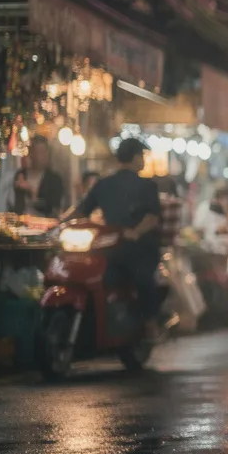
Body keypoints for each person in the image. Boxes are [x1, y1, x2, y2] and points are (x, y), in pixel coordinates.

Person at [63, 138, 165, 339]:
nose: (143, 160)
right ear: (136, 158)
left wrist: (59, 223)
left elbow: (80, 212)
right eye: (142, 156)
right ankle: (150, 324)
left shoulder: (103, 184)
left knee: (139, 277)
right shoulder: (147, 186)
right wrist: (136, 232)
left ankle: (149, 323)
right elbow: (153, 217)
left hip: (112, 249)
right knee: (141, 277)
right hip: (137, 249)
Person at [13, 136, 66, 217]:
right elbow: (14, 205)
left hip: (45, 226)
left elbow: (54, 209)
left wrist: (32, 191)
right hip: (20, 224)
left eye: (45, 152)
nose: (43, 156)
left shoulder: (54, 179)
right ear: (31, 154)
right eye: (39, 152)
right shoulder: (21, 174)